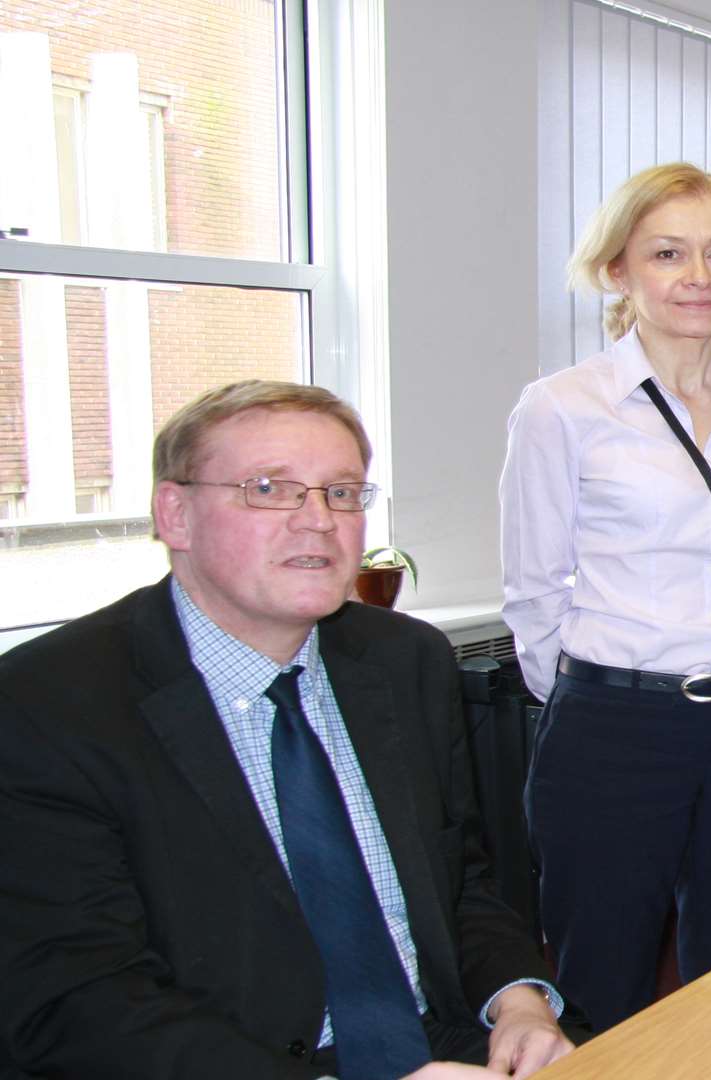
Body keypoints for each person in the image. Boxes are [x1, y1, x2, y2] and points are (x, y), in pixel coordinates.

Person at [0, 381, 572, 1078]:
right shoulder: (49, 703)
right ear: (174, 515)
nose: (318, 520)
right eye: (271, 488)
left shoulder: (404, 660)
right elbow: (76, 998)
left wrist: (517, 1000)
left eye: (341, 492)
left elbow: (460, 883)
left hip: (442, 1046)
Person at [500, 162, 711, 1029]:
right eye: (668, 253)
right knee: (604, 970)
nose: (699, 277)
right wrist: (591, 698)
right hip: (617, 722)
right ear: (618, 271)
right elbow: (532, 588)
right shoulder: (561, 408)